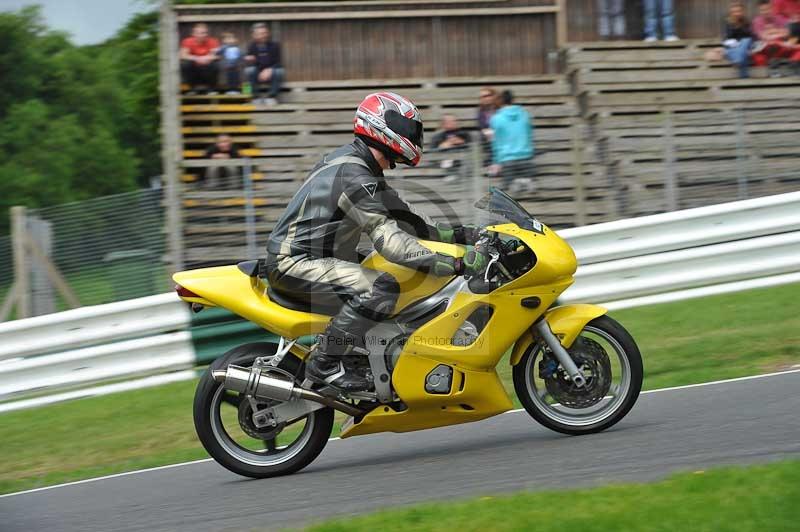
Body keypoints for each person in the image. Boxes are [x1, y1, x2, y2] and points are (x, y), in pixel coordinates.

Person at [264, 92, 486, 392]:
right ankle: (325, 364)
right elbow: (390, 240)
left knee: (389, 277)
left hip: (317, 257)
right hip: (295, 262)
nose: (414, 137)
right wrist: (453, 264)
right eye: (409, 129)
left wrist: (466, 235)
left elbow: (411, 223)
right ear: (381, 125)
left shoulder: (358, 166)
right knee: (382, 287)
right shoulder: (354, 174)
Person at [488, 90, 535, 189]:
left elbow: (495, 142)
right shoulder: (525, 114)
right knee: (530, 198)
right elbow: (529, 135)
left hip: (507, 160)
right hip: (526, 158)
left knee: (510, 195)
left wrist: (496, 161)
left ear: (501, 101)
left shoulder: (496, 118)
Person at [245, 23, 285, 105]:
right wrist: (249, 60)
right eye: (260, 34)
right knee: (249, 70)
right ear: (254, 35)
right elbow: (250, 65)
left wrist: (269, 70)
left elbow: (278, 62)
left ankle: (272, 96)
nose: (264, 35)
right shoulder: (251, 46)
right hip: (258, 74)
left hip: (271, 73)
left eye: (265, 33)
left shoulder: (275, 45)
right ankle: (255, 97)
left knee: (280, 71)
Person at [752, 0, 792, 76]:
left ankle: (775, 68)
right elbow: (763, 37)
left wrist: (772, 32)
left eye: (767, 9)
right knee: (770, 43)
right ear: (759, 11)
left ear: (771, 9)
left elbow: (787, 33)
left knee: (777, 42)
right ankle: (774, 68)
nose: (765, 12)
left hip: (780, 47)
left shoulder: (779, 18)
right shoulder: (757, 21)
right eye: (762, 10)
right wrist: (778, 33)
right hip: (765, 48)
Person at [180, 23, 220, 94]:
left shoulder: (213, 41)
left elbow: (216, 55)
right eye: (198, 33)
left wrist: (206, 58)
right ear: (193, 33)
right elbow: (182, 55)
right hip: (194, 68)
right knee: (185, 64)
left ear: (207, 34)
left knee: (215, 64)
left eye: (203, 33)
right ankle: (193, 89)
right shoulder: (187, 41)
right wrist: (196, 58)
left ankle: (211, 89)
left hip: (207, 67)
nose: (200, 35)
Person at [721, 2, 755, 78]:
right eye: (734, 12)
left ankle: (737, 59)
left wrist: (740, 27)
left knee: (746, 41)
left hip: (745, 45)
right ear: (731, 12)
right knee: (743, 53)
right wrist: (734, 27)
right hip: (734, 47)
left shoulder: (746, 22)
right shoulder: (727, 23)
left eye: (739, 11)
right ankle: (744, 77)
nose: (737, 14)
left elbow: (750, 36)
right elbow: (726, 40)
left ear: (742, 12)